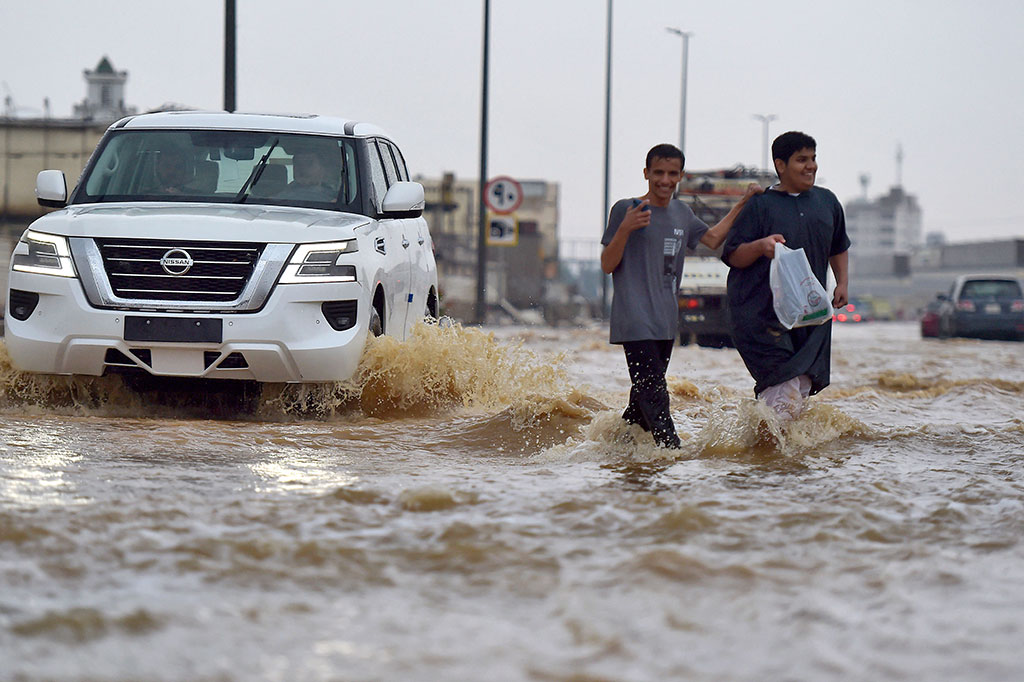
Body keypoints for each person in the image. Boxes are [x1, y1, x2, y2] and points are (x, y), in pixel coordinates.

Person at [601, 143, 761, 448]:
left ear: (680, 177)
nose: (664, 179)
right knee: (656, 395)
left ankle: (616, 449)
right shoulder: (626, 209)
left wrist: (743, 202)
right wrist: (625, 229)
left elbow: (713, 239)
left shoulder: (681, 212)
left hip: (665, 321)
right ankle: (672, 455)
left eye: (672, 173)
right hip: (634, 321)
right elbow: (608, 264)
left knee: (641, 402)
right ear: (646, 173)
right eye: (658, 172)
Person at [722, 131, 851, 421]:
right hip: (762, 317)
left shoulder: (827, 202)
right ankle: (772, 458)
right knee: (783, 384)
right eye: (801, 160)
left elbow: (838, 246)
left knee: (801, 384)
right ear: (781, 165)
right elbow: (733, 255)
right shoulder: (760, 205)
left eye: (814, 159)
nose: (811, 166)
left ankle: (774, 458)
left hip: (809, 316)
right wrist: (761, 246)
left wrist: (842, 282)